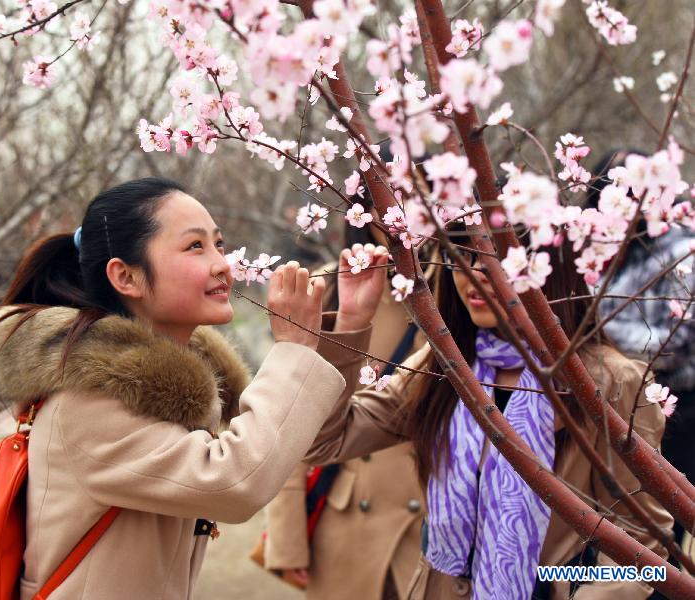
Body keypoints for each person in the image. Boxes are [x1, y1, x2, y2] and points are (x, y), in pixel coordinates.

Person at [0, 177, 378, 599]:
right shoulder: (88, 400)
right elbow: (237, 482)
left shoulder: (157, 391)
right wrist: (293, 350)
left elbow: (296, 441)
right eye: (195, 246)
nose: (222, 264)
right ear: (126, 276)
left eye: (218, 243)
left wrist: (349, 325)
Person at [305, 225, 673, 599]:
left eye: (496, 257)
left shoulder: (611, 383)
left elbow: (641, 540)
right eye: (461, 256)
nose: (473, 274)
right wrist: (351, 324)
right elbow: (324, 442)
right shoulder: (446, 366)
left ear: (547, 266)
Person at [263, 198, 427, 600]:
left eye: (420, 196)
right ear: (365, 206)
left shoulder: (463, 291)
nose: (402, 211)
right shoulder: (328, 286)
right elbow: (294, 416)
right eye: (391, 195)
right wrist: (286, 535)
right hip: (348, 517)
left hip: (432, 518)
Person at [586, 149, 695, 593]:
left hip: (677, 410)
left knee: (661, 524)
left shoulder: (683, 250)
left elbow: (677, 341)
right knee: (609, 518)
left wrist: (594, 334)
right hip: (608, 403)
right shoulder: (601, 248)